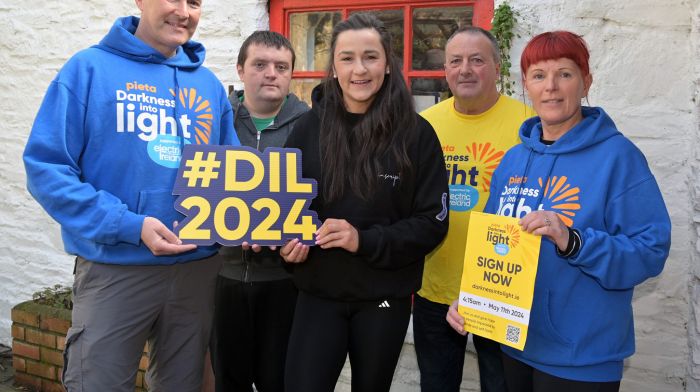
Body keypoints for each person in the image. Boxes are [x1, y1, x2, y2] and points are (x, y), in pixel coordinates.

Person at [22, 1, 239, 391]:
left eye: (194, 2)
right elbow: (46, 169)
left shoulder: (207, 85)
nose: (183, 12)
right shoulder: (88, 70)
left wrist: (257, 219)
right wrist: (129, 225)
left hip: (196, 270)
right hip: (116, 268)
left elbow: (233, 175)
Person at [446, 30, 671, 391]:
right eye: (539, 75)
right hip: (514, 347)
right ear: (526, 85)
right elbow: (491, 245)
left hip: (582, 359)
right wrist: (473, 299)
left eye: (564, 74)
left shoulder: (618, 158)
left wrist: (573, 240)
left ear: (586, 82)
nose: (550, 86)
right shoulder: (514, 159)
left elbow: (650, 251)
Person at [279, 13, 449, 392]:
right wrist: (285, 246)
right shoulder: (307, 129)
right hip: (317, 295)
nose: (360, 69)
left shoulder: (417, 135)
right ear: (334, 67)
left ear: (387, 64)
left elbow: (432, 223)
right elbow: (284, 211)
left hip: (383, 300)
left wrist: (364, 240)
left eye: (370, 57)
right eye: (347, 58)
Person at [413, 26, 533, 392]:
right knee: (436, 384)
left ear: (497, 68)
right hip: (434, 287)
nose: (465, 69)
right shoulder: (425, 124)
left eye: (477, 60)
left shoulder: (528, 124)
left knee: (502, 385)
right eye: (455, 61)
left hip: (501, 288)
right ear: (445, 70)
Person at [209, 30, 309, 392]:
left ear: (291, 74)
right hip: (223, 277)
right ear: (240, 69)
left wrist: (301, 238)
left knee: (278, 380)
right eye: (260, 64)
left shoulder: (312, 126)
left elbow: (324, 198)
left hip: (285, 282)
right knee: (229, 379)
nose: (271, 73)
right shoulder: (217, 122)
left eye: (281, 66)